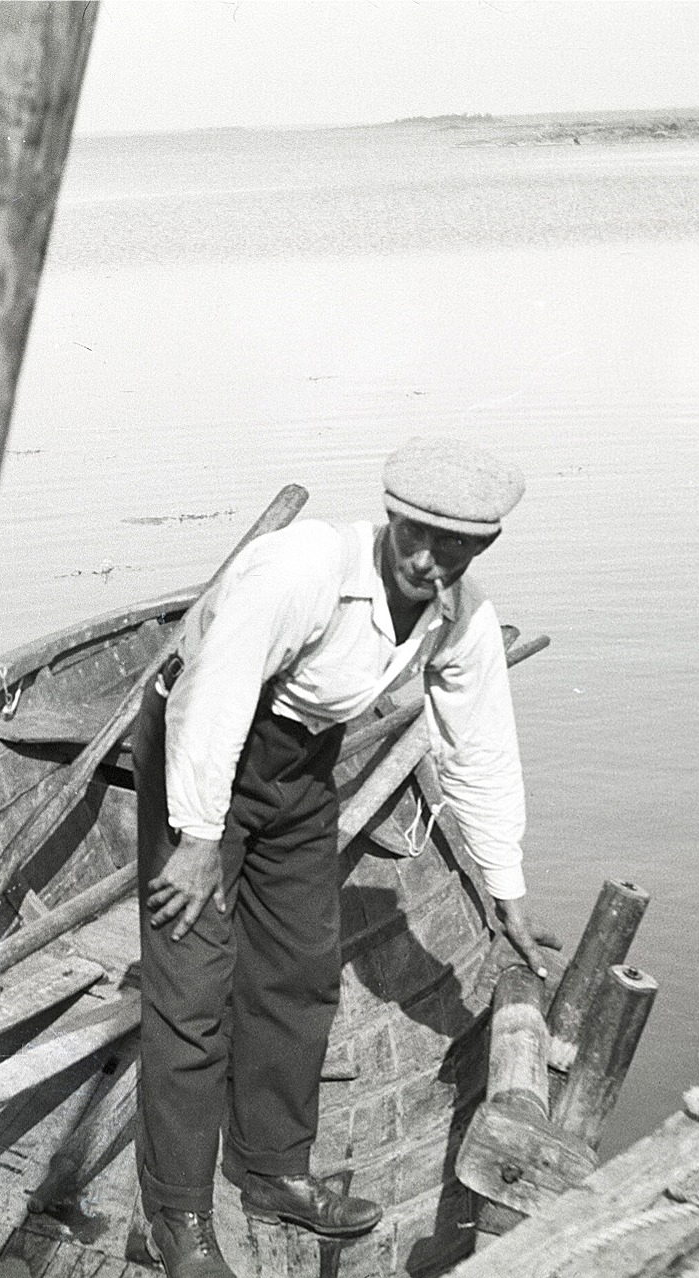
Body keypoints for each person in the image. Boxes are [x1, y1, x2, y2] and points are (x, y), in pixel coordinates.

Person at [134, 437, 549, 1277]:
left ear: (483, 546)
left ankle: (271, 1170)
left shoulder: (460, 614)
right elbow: (213, 692)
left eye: (459, 545)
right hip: (204, 744)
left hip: (300, 762)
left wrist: (504, 884)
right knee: (192, 987)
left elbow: (478, 746)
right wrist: (199, 840)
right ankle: (177, 1218)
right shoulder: (303, 570)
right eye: (420, 536)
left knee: (299, 970)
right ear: (390, 520)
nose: (433, 561)